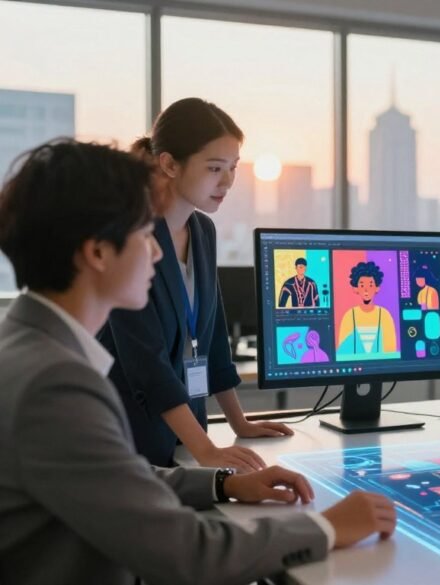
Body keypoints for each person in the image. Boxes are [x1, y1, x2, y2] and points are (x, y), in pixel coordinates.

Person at [0, 139, 397, 585]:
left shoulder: (28, 349)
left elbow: (114, 479)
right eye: (144, 235)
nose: (156, 252)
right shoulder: (54, 384)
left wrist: (223, 484)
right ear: (97, 253)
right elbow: (186, 553)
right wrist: (327, 527)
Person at [99, 97, 291, 471]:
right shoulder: (133, 236)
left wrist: (239, 423)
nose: (228, 181)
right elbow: (146, 364)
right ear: (169, 163)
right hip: (131, 436)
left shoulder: (203, 230)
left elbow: (213, 333)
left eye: (233, 168)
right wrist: (206, 450)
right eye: (215, 168)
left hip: (188, 432)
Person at [336, 260, 398, 356]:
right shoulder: (349, 316)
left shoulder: (385, 316)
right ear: (355, 288)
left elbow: (391, 350)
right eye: (362, 285)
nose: (366, 289)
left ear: (377, 288)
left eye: (370, 285)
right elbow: (343, 352)